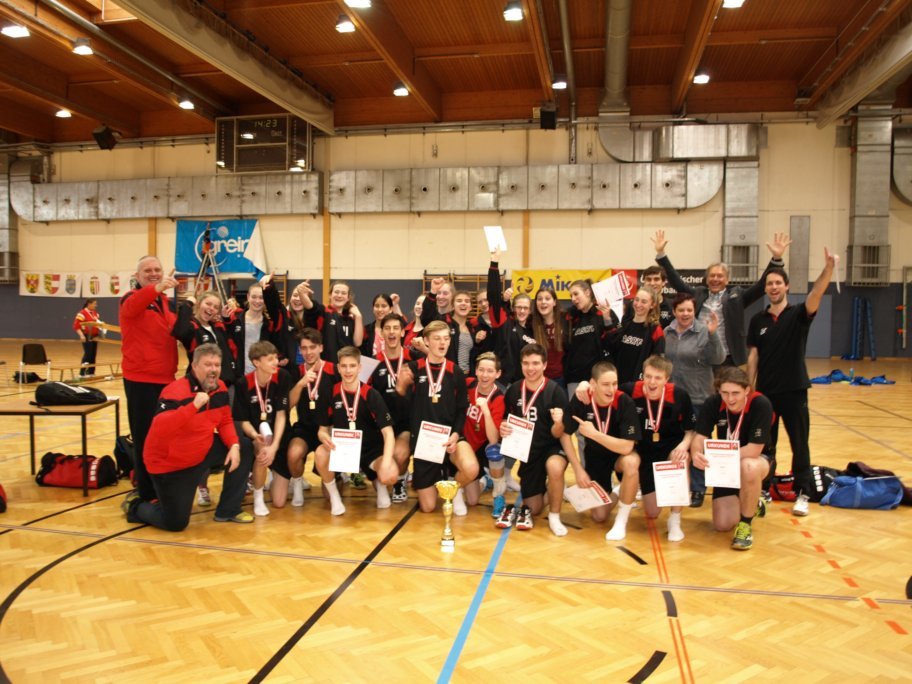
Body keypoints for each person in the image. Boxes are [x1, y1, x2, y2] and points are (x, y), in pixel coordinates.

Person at [121, 343, 253, 529]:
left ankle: (228, 509)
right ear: (194, 366)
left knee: (244, 446)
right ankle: (135, 506)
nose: (214, 370)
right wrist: (193, 406)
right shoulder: (174, 391)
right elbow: (160, 427)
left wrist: (233, 445)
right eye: (208, 365)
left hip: (201, 451)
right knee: (175, 523)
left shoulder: (220, 388)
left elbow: (224, 421)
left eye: (217, 365)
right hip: (171, 464)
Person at [747, 247, 836, 517]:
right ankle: (763, 489)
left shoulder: (799, 314)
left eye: (777, 283)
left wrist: (828, 269)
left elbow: (816, 293)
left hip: (795, 391)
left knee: (800, 443)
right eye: (769, 284)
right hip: (766, 394)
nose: (773, 287)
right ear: (765, 289)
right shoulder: (758, 320)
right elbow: (753, 356)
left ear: (786, 286)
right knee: (765, 445)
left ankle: (803, 493)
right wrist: (751, 390)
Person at [652, 229, 791, 368]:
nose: (715, 279)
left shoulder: (736, 297)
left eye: (720, 276)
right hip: (699, 358)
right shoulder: (698, 294)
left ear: (727, 279)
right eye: (712, 276)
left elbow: (761, 286)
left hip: (728, 360)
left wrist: (776, 259)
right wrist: (661, 254)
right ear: (707, 279)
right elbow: (677, 281)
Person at [499, 343, 588, 537]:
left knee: (555, 467)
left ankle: (555, 516)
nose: (530, 368)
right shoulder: (514, 390)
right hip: (528, 453)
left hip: (552, 448)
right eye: (526, 363)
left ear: (545, 365)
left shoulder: (555, 391)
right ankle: (557, 489)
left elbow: (559, 434)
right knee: (534, 508)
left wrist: (558, 423)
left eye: (535, 363)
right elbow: (506, 419)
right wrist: (503, 426)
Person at [395, 320, 479, 515]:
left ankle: (453, 489)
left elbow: (462, 409)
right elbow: (403, 411)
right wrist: (400, 390)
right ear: (426, 341)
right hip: (425, 442)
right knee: (428, 507)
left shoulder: (455, 371)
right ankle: (434, 478)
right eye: (437, 339)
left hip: (450, 438)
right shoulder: (413, 369)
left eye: (446, 339)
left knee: (471, 468)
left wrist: (456, 435)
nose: (442, 343)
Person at [691, 367, 773, 551]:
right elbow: (699, 437)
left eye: (736, 393)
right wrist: (696, 454)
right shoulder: (713, 403)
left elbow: (754, 449)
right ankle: (754, 502)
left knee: (748, 466)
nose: (730, 399)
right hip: (726, 466)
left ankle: (745, 525)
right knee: (722, 524)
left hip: (758, 460)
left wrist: (719, 457)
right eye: (725, 393)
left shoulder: (760, 404)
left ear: (746, 390)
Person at [120, 256, 180, 502]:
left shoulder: (165, 303)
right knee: (145, 437)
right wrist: (157, 288)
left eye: (157, 269)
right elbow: (134, 305)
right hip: (141, 380)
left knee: (165, 436)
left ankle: (162, 484)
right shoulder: (130, 299)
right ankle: (147, 493)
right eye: (148, 270)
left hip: (166, 379)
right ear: (137, 276)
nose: (153, 273)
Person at [315, 346, 398, 515]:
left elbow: (388, 433)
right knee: (320, 453)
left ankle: (380, 484)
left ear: (359, 367)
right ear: (338, 368)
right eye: (344, 366)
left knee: (390, 473)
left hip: (370, 450)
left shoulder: (371, 395)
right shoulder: (330, 393)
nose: (348, 370)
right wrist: (324, 438)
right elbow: (322, 430)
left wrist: (386, 462)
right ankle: (335, 497)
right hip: (342, 449)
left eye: (352, 366)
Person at [621, 356, 695, 542]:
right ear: (643, 375)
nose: (652, 382)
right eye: (648, 376)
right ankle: (630, 487)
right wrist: (584, 385)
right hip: (644, 452)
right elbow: (603, 390)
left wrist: (684, 445)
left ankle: (675, 520)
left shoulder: (680, 396)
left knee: (682, 459)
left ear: (667, 379)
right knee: (653, 512)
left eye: (658, 378)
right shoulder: (629, 390)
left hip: (670, 450)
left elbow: (690, 430)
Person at [567, 361, 641, 540]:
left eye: (614, 384)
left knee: (632, 462)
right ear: (593, 384)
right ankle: (620, 490)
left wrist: (594, 434)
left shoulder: (624, 401)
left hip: (620, 456)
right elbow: (564, 434)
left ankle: (621, 520)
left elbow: (627, 447)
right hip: (596, 457)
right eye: (606, 384)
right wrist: (578, 469)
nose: (611, 389)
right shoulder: (582, 398)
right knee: (599, 516)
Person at [663, 292, 723, 508]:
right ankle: (676, 485)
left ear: (694, 311)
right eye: (681, 310)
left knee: (698, 444)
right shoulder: (667, 332)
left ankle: (698, 488)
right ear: (674, 311)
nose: (685, 313)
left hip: (698, 398)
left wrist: (713, 334)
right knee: (676, 442)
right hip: (674, 398)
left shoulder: (704, 331)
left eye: (689, 310)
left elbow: (718, 358)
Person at [369, 313, 424, 503]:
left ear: (402, 332)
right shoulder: (372, 362)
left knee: (398, 454)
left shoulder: (415, 359)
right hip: (380, 424)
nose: (391, 332)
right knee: (381, 476)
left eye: (395, 328)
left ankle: (401, 479)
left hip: (405, 423)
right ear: (381, 333)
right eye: (387, 328)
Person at [233, 341, 291, 517]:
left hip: (278, 435)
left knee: (279, 502)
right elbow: (242, 420)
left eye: (276, 358)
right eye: (270, 359)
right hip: (256, 435)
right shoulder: (243, 383)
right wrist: (255, 435)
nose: (275, 362)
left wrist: (275, 445)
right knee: (262, 450)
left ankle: (274, 474)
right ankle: (258, 496)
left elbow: (281, 415)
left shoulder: (283, 376)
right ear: (256, 362)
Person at [285, 328, 338, 506]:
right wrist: (301, 384)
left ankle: (336, 478)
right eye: (304, 348)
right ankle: (297, 485)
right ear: (300, 350)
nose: (308, 352)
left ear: (321, 348)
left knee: (329, 497)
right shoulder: (296, 372)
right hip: (305, 427)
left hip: (328, 429)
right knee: (293, 454)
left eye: (312, 347)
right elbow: (289, 404)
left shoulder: (333, 370)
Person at [461, 352, 507, 516]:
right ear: (476, 371)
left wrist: (486, 411)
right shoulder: (468, 384)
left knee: (495, 451)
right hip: (465, 444)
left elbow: (493, 439)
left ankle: (498, 496)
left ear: (498, 374)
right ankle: (484, 480)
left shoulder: (499, 397)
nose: (485, 375)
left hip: (484, 446)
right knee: (472, 500)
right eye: (481, 370)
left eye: (490, 371)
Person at [606, 286, 665, 385]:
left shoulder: (655, 330)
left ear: (652, 305)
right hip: (618, 383)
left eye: (644, 302)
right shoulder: (626, 325)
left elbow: (658, 363)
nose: (638, 304)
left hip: (638, 386)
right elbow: (611, 347)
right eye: (636, 300)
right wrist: (606, 317)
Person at [301, 280, 364, 362]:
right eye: (336, 292)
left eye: (343, 293)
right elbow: (310, 306)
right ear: (330, 295)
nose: (339, 295)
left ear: (348, 298)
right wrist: (301, 293)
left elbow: (358, 343)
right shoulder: (323, 312)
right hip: (327, 366)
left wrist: (359, 316)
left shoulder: (351, 319)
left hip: (345, 366)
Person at [225, 279, 275, 383]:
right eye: (254, 297)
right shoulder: (235, 320)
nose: (257, 301)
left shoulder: (269, 325)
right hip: (239, 376)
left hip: (262, 376)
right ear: (248, 297)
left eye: (261, 297)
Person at [530, 286, 570, 389]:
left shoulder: (565, 319)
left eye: (547, 299)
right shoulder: (531, 323)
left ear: (554, 302)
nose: (543, 302)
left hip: (560, 378)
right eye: (539, 299)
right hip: (538, 377)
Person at [361, 293, 406, 358]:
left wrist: (395, 305)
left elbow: (406, 327)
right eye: (377, 306)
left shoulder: (397, 329)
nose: (380, 309)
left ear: (391, 309)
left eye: (384, 306)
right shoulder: (366, 330)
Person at [73, 298, 102, 377]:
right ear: (89, 304)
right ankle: (82, 372)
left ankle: (91, 372)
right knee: (88, 354)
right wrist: (81, 335)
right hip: (86, 335)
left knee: (93, 354)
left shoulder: (95, 313)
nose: (96, 305)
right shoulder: (82, 313)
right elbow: (76, 326)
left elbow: (96, 324)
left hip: (95, 336)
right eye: (94, 304)